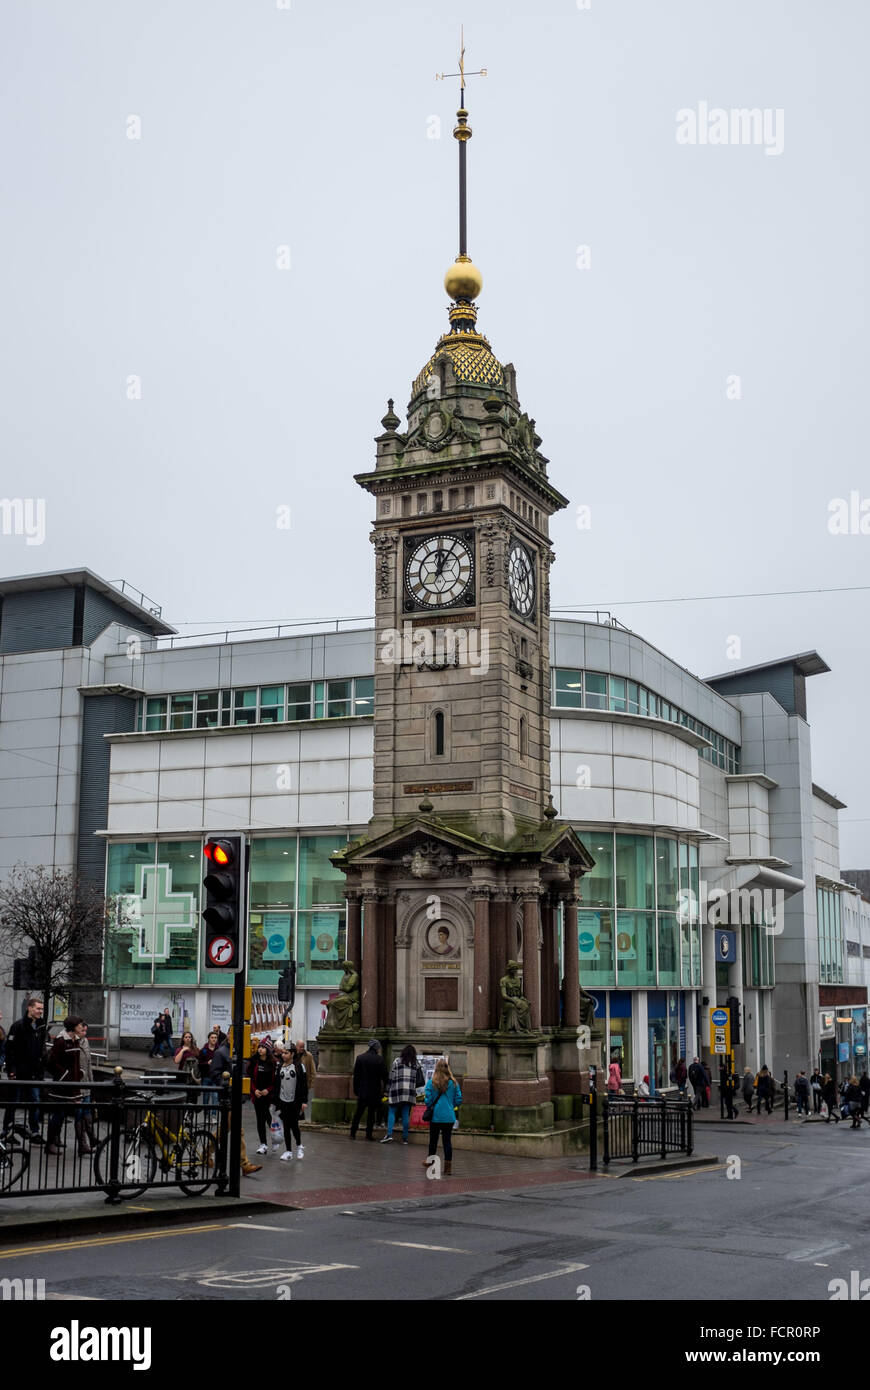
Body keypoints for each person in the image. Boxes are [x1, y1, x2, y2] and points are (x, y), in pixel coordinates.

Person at [3, 996, 46, 1140]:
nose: (41, 1011)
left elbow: (41, 1049)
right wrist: (12, 1070)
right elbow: (10, 1050)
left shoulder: (40, 1027)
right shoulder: (18, 1026)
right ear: (30, 1008)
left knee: (35, 1101)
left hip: (34, 1073)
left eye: (42, 1008)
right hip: (20, 1072)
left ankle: (35, 1132)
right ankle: (7, 1131)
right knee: (13, 1102)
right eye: (38, 1008)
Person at [45, 1016, 89, 1155]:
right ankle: (50, 1143)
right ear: (73, 1026)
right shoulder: (62, 1041)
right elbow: (52, 1062)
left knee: (66, 1113)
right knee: (59, 1114)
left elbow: (75, 1062)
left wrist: (79, 1073)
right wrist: (65, 1075)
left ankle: (83, 1144)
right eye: (79, 1024)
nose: (81, 1027)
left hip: (72, 1084)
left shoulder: (74, 1040)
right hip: (63, 1086)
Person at [423, 1058, 462, 1176]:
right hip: (449, 1117)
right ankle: (448, 1167)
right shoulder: (454, 1082)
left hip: (436, 1116)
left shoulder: (431, 1082)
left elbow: (428, 1101)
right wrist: (450, 1105)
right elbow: (459, 1099)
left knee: (433, 1140)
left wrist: (431, 1103)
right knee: (447, 1142)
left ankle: (431, 1162)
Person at [383, 1043, 424, 1143]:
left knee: (392, 1112)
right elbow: (420, 1081)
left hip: (396, 1090)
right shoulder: (416, 1064)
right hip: (409, 1093)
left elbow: (391, 1077)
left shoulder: (397, 1061)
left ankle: (389, 1135)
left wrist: (387, 1090)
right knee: (405, 1114)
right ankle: (405, 1138)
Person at [350, 1039, 388, 1140]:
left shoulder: (360, 1058)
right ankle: (368, 1135)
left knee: (358, 1113)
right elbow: (385, 1076)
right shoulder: (379, 1059)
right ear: (377, 1048)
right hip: (374, 1091)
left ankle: (353, 1133)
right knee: (371, 1114)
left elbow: (356, 1076)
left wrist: (356, 1090)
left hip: (362, 1090)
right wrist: (385, 1090)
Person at [277, 1046, 308, 1161]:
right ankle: (288, 1151)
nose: (283, 1055)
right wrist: (275, 1101)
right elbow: (277, 1084)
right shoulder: (279, 1066)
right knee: (286, 1126)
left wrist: (304, 1101)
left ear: (292, 1054)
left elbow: (304, 1085)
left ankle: (299, 1146)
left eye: (286, 1053)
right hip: (283, 1100)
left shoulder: (299, 1066)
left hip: (295, 1101)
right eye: (283, 1053)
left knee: (294, 1125)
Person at [248, 1043, 279, 1154]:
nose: (260, 1049)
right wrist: (254, 1090)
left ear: (267, 1049)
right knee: (260, 1120)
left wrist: (268, 1090)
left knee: (269, 1119)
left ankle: (275, 1140)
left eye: (263, 1048)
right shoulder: (254, 1061)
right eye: (259, 1048)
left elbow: (276, 1081)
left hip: (269, 1096)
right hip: (258, 1095)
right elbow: (250, 1078)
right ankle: (263, 1144)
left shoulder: (273, 1063)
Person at [295, 1039, 317, 1115]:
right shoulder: (293, 1055)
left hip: (304, 1084)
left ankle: (300, 1117)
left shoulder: (308, 1056)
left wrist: (311, 1084)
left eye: (303, 1047)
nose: (302, 1048)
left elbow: (313, 1071)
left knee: (303, 1103)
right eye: (300, 1047)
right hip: (294, 1084)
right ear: (296, 1046)